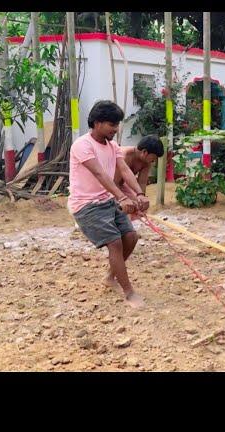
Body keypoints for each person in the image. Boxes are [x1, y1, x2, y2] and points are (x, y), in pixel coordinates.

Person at [68, 100, 149, 308]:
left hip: (107, 201)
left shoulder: (112, 146)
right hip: (87, 205)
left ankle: (110, 277)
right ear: (97, 123)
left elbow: (124, 171)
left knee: (131, 237)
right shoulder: (82, 145)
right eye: (112, 124)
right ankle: (129, 293)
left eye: (117, 124)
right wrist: (121, 197)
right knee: (115, 243)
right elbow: (99, 173)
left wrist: (139, 194)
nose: (116, 129)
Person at [115, 135, 164, 210]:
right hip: (107, 185)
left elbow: (142, 183)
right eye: (153, 158)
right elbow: (115, 182)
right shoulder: (125, 155)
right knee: (124, 208)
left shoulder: (146, 162)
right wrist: (122, 199)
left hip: (120, 184)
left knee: (137, 206)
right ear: (144, 152)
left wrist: (142, 200)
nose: (154, 161)